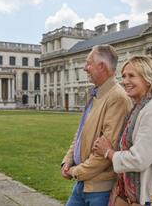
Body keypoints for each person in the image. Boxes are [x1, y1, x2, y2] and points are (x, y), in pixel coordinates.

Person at [93, 55, 152, 206]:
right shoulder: (137, 109)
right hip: (140, 198)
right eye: (123, 76)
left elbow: (138, 159)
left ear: (148, 80)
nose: (124, 81)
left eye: (131, 76)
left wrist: (108, 152)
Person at [61, 45, 132, 206]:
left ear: (102, 67)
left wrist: (76, 171)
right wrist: (68, 161)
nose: (85, 68)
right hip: (83, 183)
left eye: (88, 63)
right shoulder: (95, 93)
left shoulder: (117, 97)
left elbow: (106, 151)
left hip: (100, 188)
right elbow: (80, 134)